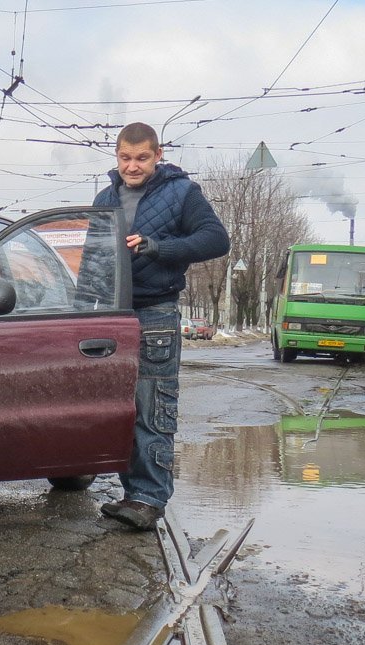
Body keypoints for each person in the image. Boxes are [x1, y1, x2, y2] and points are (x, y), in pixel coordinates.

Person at [93, 122, 229, 530]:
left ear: (158, 154)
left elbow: (216, 240)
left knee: (152, 406)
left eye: (141, 158)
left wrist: (159, 248)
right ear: (116, 156)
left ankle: (148, 499)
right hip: (111, 314)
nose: (132, 166)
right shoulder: (105, 196)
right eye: (125, 158)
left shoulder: (182, 192)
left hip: (156, 313)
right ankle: (130, 491)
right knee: (114, 405)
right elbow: (94, 256)